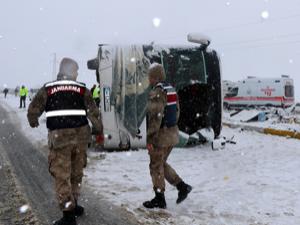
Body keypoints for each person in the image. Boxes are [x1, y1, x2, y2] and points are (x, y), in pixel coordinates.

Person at [27, 57, 103, 225]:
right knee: (76, 173)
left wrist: (33, 120)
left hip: (60, 139)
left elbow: (34, 109)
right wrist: (97, 128)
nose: (77, 74)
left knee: (62, 175)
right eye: (76, 71)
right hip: (81, 138)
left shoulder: (49, 88)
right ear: (69, 71)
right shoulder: (82, 89)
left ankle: (68, 213)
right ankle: (73, 205)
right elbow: (93, 112)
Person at [143, 63, 192, 209]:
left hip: (161, 136)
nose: (149, 80)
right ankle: (182, 187)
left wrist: (150, 138)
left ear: (155, 77)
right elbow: (177, 111)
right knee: (161, 164)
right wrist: (171, 126)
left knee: (155, 166)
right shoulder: (171, 89)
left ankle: (160, 198)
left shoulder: (158, 92)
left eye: (150, 77)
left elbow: (155, 117)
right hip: (171, 133)